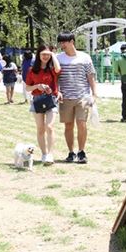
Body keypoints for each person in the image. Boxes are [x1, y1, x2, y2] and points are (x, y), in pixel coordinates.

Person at [56, 31, 98, 164]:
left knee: (82, 124)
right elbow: (55, 77)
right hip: (66, 97)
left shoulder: (85, 57)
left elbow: (90, 76)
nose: (62, 44)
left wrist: (94, 93)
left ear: (72, 42)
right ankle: (71, 152)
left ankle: (81, 151)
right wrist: (57, 91)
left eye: (64, 42)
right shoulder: (58, 58)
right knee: (68, 126)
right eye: (61, 42)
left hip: (82, 96)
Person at [25, 45, 61, 164]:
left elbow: (58, 69)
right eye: (43, 54)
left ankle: (50, 154)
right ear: (38, 55)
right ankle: (44, 153)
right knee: (40, 129)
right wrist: (37, 86)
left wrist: (53, 54)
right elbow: (28, 87)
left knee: (49, 126)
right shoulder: (32, 70)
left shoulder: (52, 69)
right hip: (37, 100)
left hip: (51, 100)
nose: (45, 56)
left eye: (47, 54)